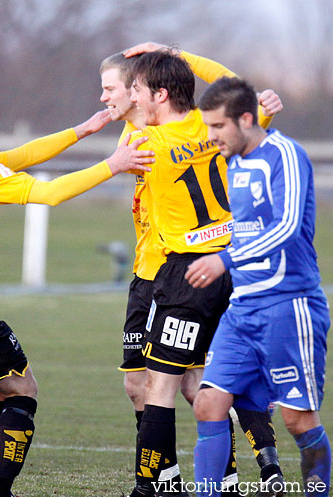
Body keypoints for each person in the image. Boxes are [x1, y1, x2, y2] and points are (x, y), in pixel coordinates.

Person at [0, 83, 153, 497]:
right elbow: (50, 193)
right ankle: (0, 493)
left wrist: (83, 131)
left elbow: (22, 156)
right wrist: (114, 164)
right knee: (24, 389)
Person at [120, 45, 283, 497]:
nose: (132, 99)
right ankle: (236, 480)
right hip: (235, 268)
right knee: (217, 384)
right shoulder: (220, 126)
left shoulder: (142, 143)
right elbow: (237, 86)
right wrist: (175, 53)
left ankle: (148, 488)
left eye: (137, 91)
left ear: (160, 94)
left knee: (162, 389)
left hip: (187, 275)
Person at [187, 77, 331, 497]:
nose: (211, 137)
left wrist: (224, 259)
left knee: (298, 421)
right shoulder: (234, 162)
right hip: (243, 308)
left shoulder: (285, 154)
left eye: (217, 127)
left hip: (290, 305)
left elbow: (285, 228)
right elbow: (245, 231)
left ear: (246, 119)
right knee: (209, 403)